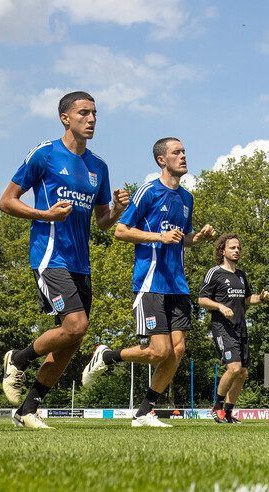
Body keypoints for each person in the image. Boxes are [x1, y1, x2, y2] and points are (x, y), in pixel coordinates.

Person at [0, 91, 129, 429]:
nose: (91, 119)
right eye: (83, 113)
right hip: (49, 256)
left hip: (80, 263)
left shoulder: (98, 167)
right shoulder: (44, 154)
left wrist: (117, 210)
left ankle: (27, 410)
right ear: (65, 118)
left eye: (95, 113)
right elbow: (7, 201)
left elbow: (101, 221)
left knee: (72, 340)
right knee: (76, 326)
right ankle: (20, 358)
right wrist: (45, 214)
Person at [82, 137, 214, 427]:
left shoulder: (187, 198)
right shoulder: (148, 192)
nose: (183, 156)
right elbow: (120, 230)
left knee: (176, 351)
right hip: (150, 283)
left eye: (184, 151)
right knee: (159, 351)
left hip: (177, 285)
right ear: (161, 160)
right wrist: (158, 236)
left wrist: (197, 238)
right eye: (176, 152)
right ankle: (107, 356)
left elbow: (183, 239)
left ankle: (144, 412)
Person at [198, 234, 269, 423]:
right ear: (223, 251)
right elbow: (201, 299)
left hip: (241, 327)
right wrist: (220, 307)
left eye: (238, 248)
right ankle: (217, 408)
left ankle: (229, 412)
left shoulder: (241, 275)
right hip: (223, 327)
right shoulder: (214, 273)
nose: (237, 250)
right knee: (233, 368)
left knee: (243, 372)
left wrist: (261, 298)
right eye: (232, 247)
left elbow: (248, 299)